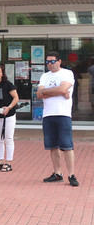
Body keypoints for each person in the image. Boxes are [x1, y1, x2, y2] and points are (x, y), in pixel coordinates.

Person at [37, 51, 78, 187]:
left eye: (52, 61)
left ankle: (71, 174)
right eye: (47, 62)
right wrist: (58, 91)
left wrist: (47, 91)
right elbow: (39, 94)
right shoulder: (44, 76)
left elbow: (63, 89)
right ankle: (57, 173)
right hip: (48, 114)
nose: (50, 64)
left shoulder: (67, 73)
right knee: (52, 146)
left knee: (67, 146)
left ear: (59, 61)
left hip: (63, 114)